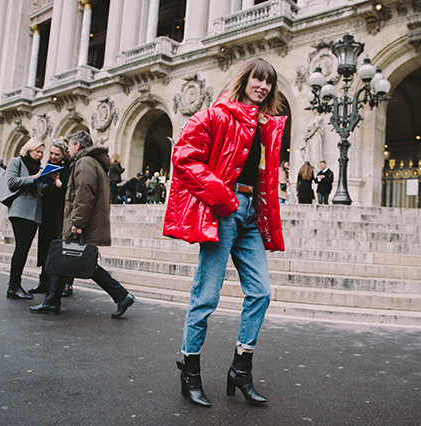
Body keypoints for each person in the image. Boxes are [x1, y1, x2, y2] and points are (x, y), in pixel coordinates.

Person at [163, 57, 287, 407]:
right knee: (206, 297)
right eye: (257, 79)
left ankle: (241, 369)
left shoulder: (267, 125)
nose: (261, 86)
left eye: (268, 82)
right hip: (224, 211)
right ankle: (190, 373)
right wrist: (224, 198)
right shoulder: (216, 114)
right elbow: (185, 158)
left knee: (261, 292)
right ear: (244, 79)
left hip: (250, 217)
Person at [30, 131, 136, 317]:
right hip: (85, 220)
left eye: (69, 145)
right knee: (69, 259)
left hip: (82, 221)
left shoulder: (85, 162)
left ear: (77, 145)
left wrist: (77, 222)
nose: (68, 150)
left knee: (74, 260)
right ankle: (53, 301)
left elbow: (84, 194)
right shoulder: (90, 162)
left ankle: (121, 295)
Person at [28, 139, 74, 297]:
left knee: (62, 248)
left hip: (61, 213)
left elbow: (70, 191)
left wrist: (59, 184)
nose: (53, 157)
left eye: (57, 154)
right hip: (47, 211)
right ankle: (44, 281)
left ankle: (67, 283)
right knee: (46, 246)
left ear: (63, 155)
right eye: (51, 153)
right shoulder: (48, 165)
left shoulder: (69, 168)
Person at [5, 138, 45, 300]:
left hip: (34, 212)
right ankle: (13, 286)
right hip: (20, 211)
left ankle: (15, 285)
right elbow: (11, 182)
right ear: (29, 149)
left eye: (42, 152)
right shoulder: (16, 162)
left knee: (25, 248)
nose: (40, 155)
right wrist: (35, 178)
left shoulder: (40, 167)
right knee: (21, 248)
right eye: (37, 152)